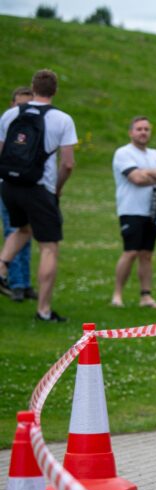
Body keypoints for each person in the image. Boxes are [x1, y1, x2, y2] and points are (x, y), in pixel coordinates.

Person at [0, 69, 77, 322]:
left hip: (9, 184)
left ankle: (1, 268)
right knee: (49, 247)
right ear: (55, 90)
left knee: (22, 229)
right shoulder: (62, 119)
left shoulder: (10, 114)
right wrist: (57, 189)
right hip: (38, 187)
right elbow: (67, 164)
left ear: (33, 88)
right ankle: (43, 310)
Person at [111, 116, 156, 309]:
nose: (143, 132)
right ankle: (117, 294)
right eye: (139, 129)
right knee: (130, 252)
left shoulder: (155, 154)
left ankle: (146, 296)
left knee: (147, 254)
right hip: (131, 209)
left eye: (146, 129)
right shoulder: (123, 153)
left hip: (153, 211)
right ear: (131, 132)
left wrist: (148, 172)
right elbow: (136, 179)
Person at [0, 87, 36, 302]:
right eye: (20, 105)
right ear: (12, 104)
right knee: (13, 231)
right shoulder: (6, 126)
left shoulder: (33, 129)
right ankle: (15, 283)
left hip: (27, 187)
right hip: (8, 185)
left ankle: (24, 282)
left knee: (26, 233)